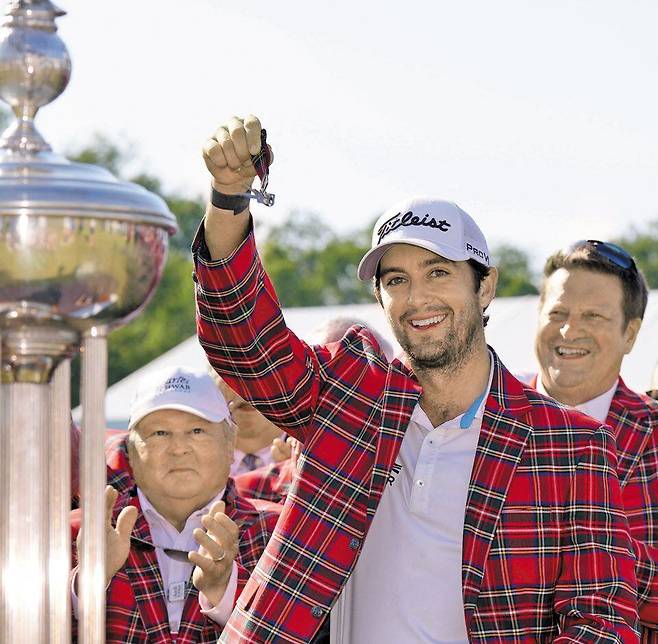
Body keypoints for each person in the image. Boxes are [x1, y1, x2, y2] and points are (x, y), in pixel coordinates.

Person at [192, 115, 639, 642]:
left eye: (439, 272)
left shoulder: (571, 443)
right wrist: (228, 198)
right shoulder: (350, 394)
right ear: (379, 299)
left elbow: (602, 620)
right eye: (396, 280)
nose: (417, 297)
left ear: (485, 286)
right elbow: (244, 345)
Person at [71, 366, 281, 643]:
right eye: (159, 433)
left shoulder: (278, 533)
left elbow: (308, 633)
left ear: (230, 445)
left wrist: (227, 590)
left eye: (197, 430)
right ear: (132, 451)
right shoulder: (78, 532)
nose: (178, 448)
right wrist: (87, 580)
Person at [531, 240, 658, 636]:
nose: (570, 329)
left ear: (630, 334)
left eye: (594, 316)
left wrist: (589, 547)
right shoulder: (477, 418)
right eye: (558, 312)